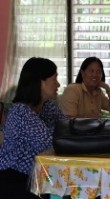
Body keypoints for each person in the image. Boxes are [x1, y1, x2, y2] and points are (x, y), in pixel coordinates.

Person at [0, 57, 66, 199]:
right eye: (54, 79)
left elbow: (66, 126)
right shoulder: (20, 111)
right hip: (14, 180)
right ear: (40, 82)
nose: (58, 84)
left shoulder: (47, 106)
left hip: (38, 178)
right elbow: (49, 144)